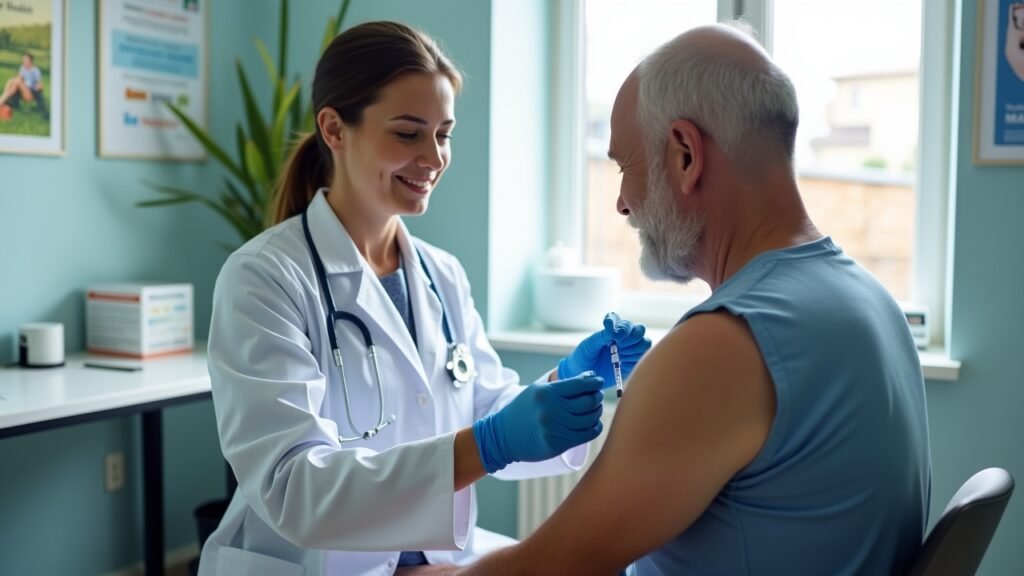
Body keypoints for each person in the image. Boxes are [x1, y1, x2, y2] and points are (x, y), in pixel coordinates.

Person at [419, 22, 931, 576]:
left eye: (625, 167)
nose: (621, 202)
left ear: (686, 154)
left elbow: (549, 568)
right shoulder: (870, 300)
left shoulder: (723, 344)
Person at [198, 20, 651, 576]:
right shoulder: (264, 278)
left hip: (433, 560)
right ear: (335, 129)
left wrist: (565, 383)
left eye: (444, 134)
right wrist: (487, 445)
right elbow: (294, 488)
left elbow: (486, 409)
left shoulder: (442, 275)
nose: (434, 158)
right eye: (409, 134)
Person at [0, 52, 46, 118]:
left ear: (31, 61)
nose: (24, 62)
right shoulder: (23, 68)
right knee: (13, 84)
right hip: (22, 91)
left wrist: (37, 87)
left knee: (15, 81)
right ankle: (3, 101)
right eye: (23, 60)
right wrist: (15, 82)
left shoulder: (35, 70)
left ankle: (2, 98)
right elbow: (19, 78)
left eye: (26, 60)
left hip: (30, 93)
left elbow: (41, 85)